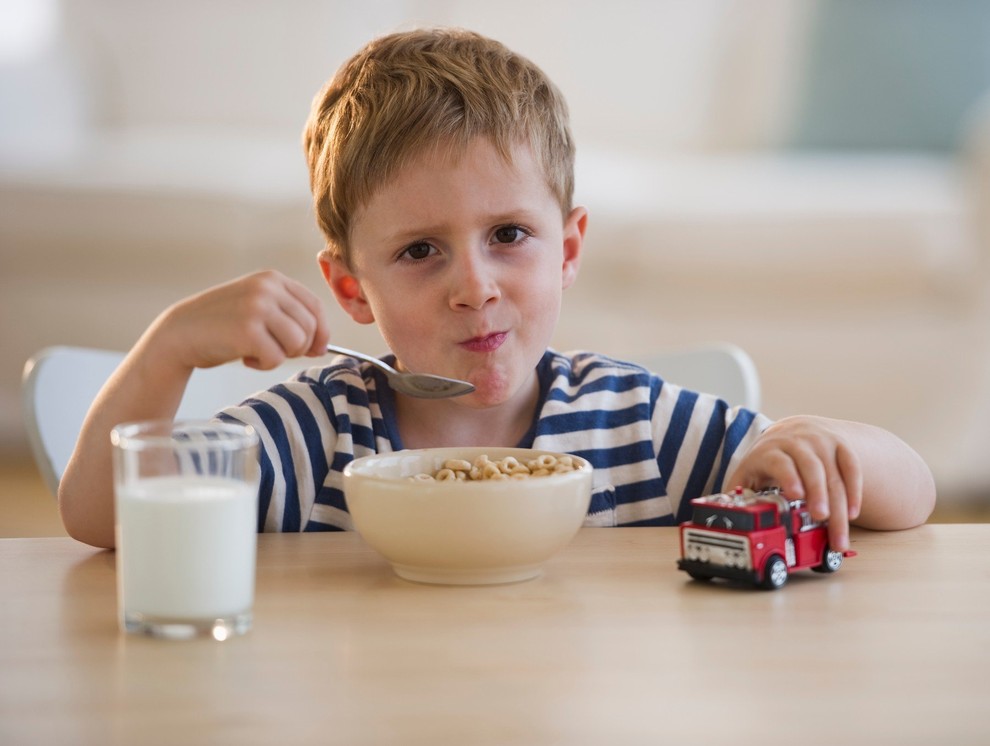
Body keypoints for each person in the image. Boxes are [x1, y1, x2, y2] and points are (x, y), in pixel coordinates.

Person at [59, 27, 936, 550]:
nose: (475, 288)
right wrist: (170, 343)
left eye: (509, 236)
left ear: (568, 249)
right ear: (348, 288)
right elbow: (102, 519)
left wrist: (813, 440)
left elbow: (916, 496)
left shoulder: (636, 427)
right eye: (418, 252)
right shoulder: (312, 434)